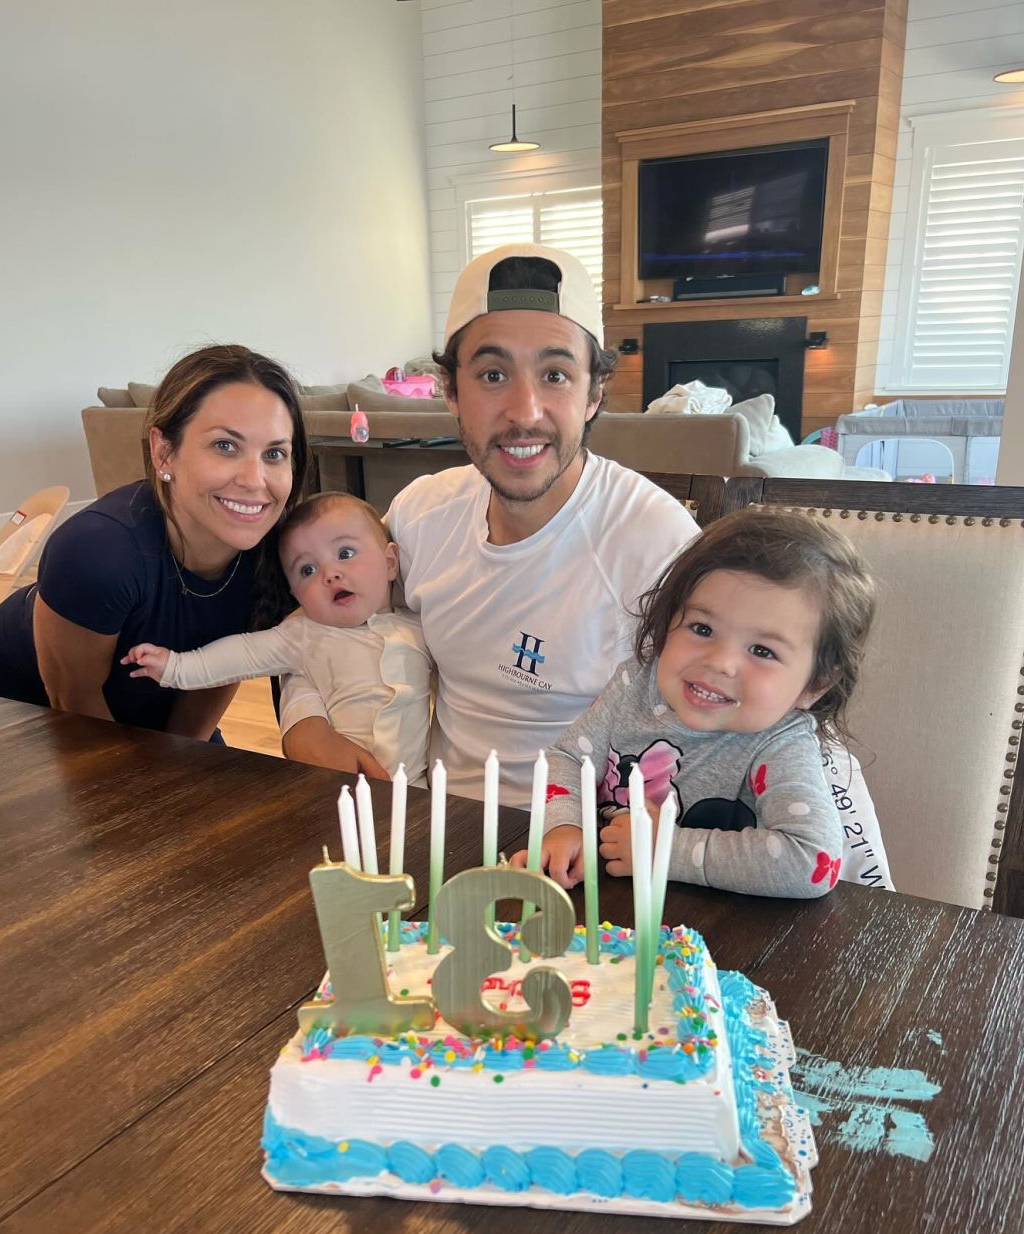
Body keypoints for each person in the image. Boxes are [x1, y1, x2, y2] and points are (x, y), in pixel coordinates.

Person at [279, 243, 700, 805]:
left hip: (589, 850)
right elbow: (323, 617)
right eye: (493, 374)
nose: (524, 411)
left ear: (594, 393)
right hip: (430, 825)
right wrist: (302, 721)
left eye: (555, 374)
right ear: (450, 390)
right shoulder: (420, 514)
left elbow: (718, 718)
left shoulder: (656, 541)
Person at [0, 344, 310, 740]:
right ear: (163, 452)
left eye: (275, 453)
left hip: (150, 701)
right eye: (225, 446)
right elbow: (75, 699)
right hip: (20, 703)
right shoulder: (99, 551)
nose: (254, 479)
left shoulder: (281, 555)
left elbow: (224, 668)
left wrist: (180, 764)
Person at [525, 509, 877, 898]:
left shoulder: (781, 744)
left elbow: (811, 862)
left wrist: (667, 851)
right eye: (702, 628)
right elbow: (569, 758)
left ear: (815, 685)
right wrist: (563, 826)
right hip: (612, 912)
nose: (719, 662)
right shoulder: (636, 683)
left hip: (726, 935)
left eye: (763, 650)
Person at [121, 492, 430, 781]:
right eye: (307, 570)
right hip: (337, 788)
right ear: (296, 594)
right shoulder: (303, 636)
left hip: (417, 787)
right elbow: (242, 654)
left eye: (345, 553)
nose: (330, 573)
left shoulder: (420, 627)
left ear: (390, 562)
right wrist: (175, 666)